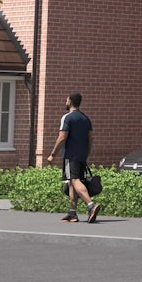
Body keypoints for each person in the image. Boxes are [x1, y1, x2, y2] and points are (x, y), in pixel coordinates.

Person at [46, 92, 99, 223]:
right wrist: (87, 153)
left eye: (66, 100)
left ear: (70, 101)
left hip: (70, 155)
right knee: (71, 183)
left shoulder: (67, 118)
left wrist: (53, 154)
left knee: (74, 180)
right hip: (81, 155)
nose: (65, 102)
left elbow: (62, 137)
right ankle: (72, 213)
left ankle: (91, 206)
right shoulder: (85, 118)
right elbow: (90, 138)